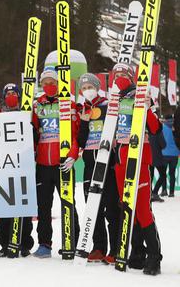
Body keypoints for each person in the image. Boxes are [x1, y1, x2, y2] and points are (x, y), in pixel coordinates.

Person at [111, 63, 163, 275]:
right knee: (126, 207)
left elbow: (156, 128)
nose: (119, 78)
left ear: (131, 77)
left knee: (142, 209)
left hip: (139, 158)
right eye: (116, 75)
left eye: (124, 75)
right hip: (121, 160)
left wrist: (147, 106)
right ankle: (137, 252)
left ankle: (154, 256)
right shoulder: (115, 100)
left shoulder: (138, 95)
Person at [31, 66, 80, 258]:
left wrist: (72, 155)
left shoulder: (69, 103)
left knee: (68, 203)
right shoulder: (37, 105)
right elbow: (32, 132)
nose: (49, 86)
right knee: (43, 206)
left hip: (63, 162)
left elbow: (76, 134)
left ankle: (72, 241)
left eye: (52, 83)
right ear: (41, 85)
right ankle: (44, 243)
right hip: (43, 164)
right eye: (45, 83)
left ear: (59, 84)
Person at [75, 73, 119, 262]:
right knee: (93, 207)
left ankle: (115, 249)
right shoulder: (82, 108)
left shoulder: (108, 104)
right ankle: (99, 247)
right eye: (83, 89)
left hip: (106, 160)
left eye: (89, 87)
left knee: (111, 207)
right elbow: (81, 141)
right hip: (89, 162)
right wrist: (84, 123)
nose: (87, 91)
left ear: (97, 86)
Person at [0, 83, 34, 257]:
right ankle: (5, 243)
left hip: (24, 164)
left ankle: (24, 243)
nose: (11, 96)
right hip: (4, 166)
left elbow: (36, 135)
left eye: (14, 93)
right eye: (8, 93)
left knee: (24, 205)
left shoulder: (28, 113)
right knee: (5, 205)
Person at [161, 114, 179, 197]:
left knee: (163, 173)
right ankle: (171, 192)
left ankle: (164, 190)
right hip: (175, 154)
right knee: (172, 173)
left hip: (164, 154)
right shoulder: (177, 127)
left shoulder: (163, 128)